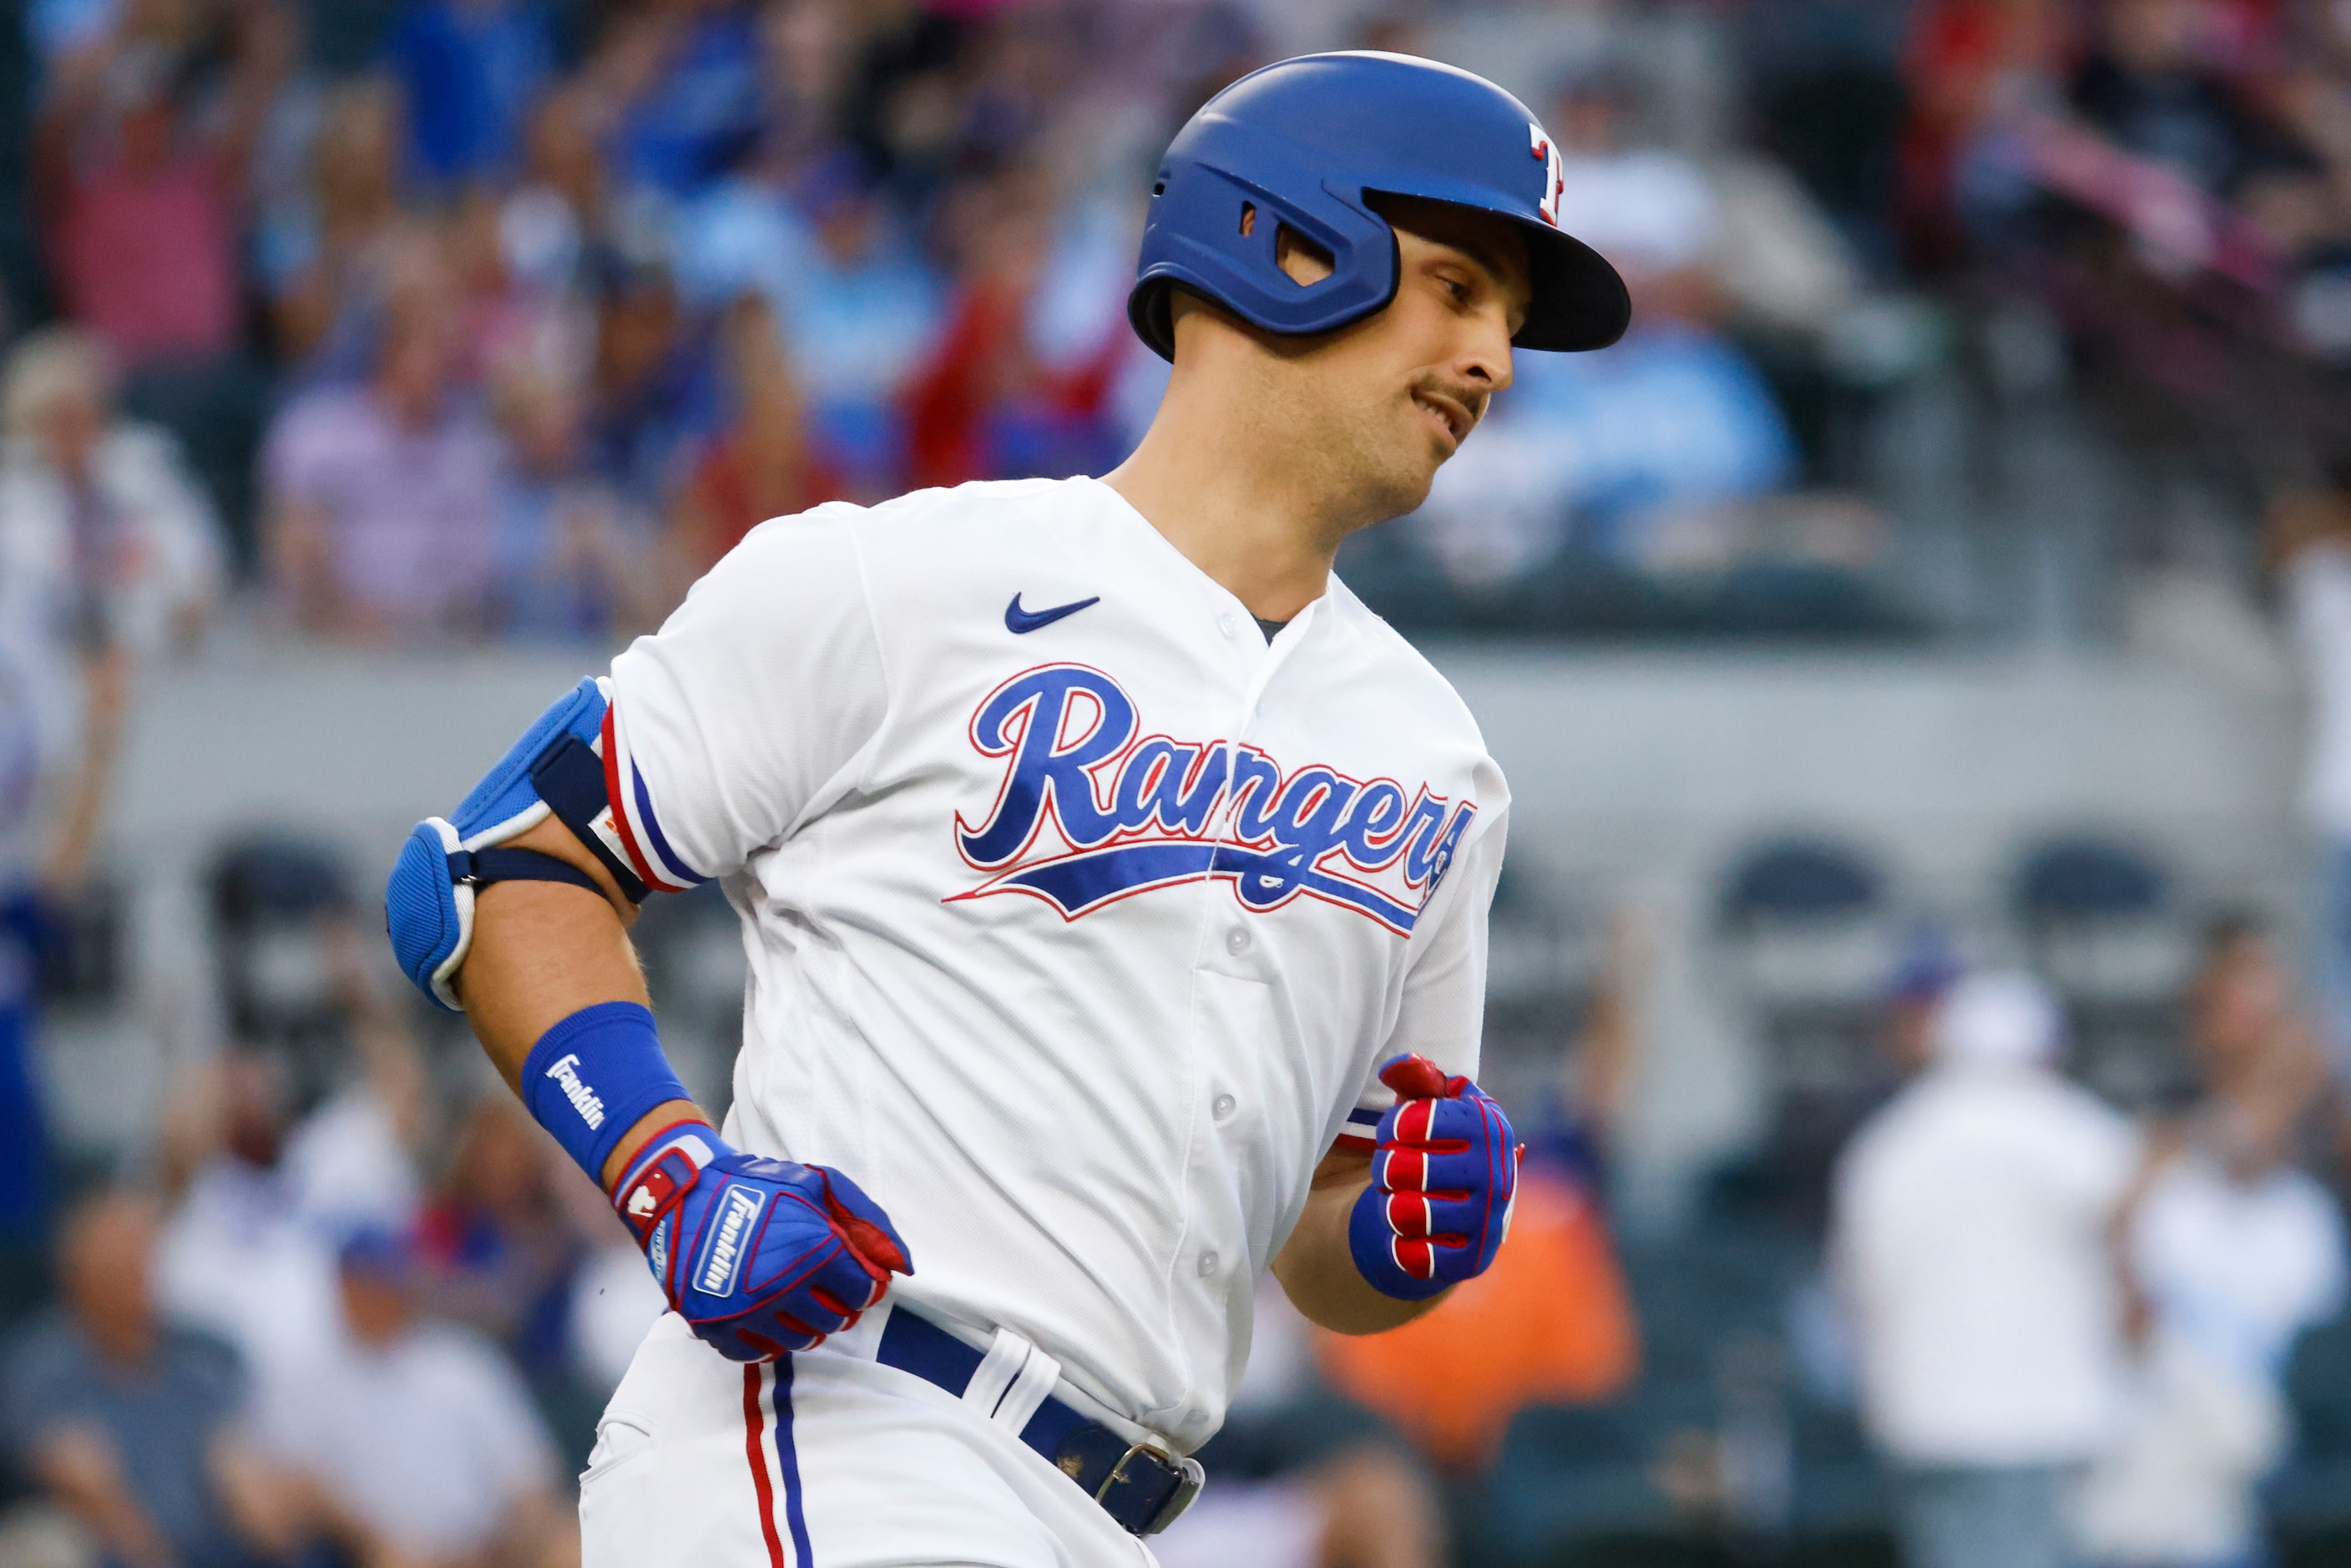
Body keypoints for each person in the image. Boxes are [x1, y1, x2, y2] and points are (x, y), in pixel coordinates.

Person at [380, 48, 1628, 1562]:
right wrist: (670, 1175)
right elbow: (505, 859)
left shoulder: (1435, 752)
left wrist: (1399, 1232)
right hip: (842, 1422)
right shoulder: (910, 581)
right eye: (1454, 285)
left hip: (1126, 1502)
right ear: (1286, 245)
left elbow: (1325, 1240)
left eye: (1505, 319)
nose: (1492, 360)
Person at [1833, 970, 2146, 1568]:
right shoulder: (2072, 1130)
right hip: (2047, 1422)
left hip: (1925, 1421)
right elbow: (2144, 1226)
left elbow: (1856, 1289)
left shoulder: (1888, 1145)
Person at [2075, 919, 2348, 1568]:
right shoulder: (2168, 1127)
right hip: (2185, 1379)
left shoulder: (2320, 1118)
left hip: (2295, 1371)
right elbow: (2129, 1214)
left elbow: (2256, 1147)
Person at [0, 1188, 300, 1568]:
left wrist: (255, 1486)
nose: (137, 1267)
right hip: (111, 1548)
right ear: (77, 1274)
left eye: (142, 1251)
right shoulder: (38, 1363)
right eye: (119, 1258)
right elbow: (80, 1478)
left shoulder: (206, 1351)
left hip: (217, 1537)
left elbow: (241, 1456)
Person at [253, 1227, 574, 1568]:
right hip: (374, 1549)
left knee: (569, 1544)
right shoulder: (309, 1376)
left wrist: (512, 1543)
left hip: (489, 1549)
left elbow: (529, 1479)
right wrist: (362, 1535)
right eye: (364, 1282)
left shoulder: (460, 1362)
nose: (376, 1296)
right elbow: (283, 1494)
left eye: (384, 1281)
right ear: (342, 1287)